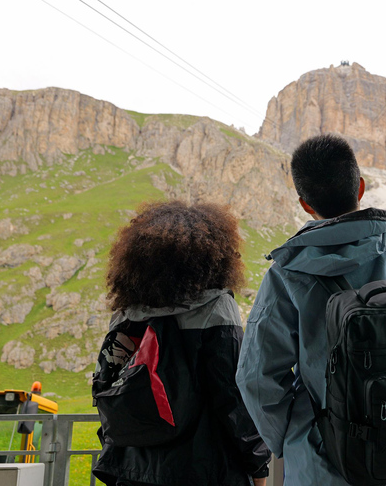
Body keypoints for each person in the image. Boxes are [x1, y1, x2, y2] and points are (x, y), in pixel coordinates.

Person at [236, 134, 386, 486]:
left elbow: (257, 378)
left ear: (304, 203)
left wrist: (295, 439)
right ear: (359, 187)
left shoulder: (288, 275)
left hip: (324, 468)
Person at [92, 201, 271, 486]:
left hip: (133, 469)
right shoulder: (218, 308)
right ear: (214, 258)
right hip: (206, 469)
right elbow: (232, 398)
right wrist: (258, 465)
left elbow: (106, 387)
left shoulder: (126, 314)